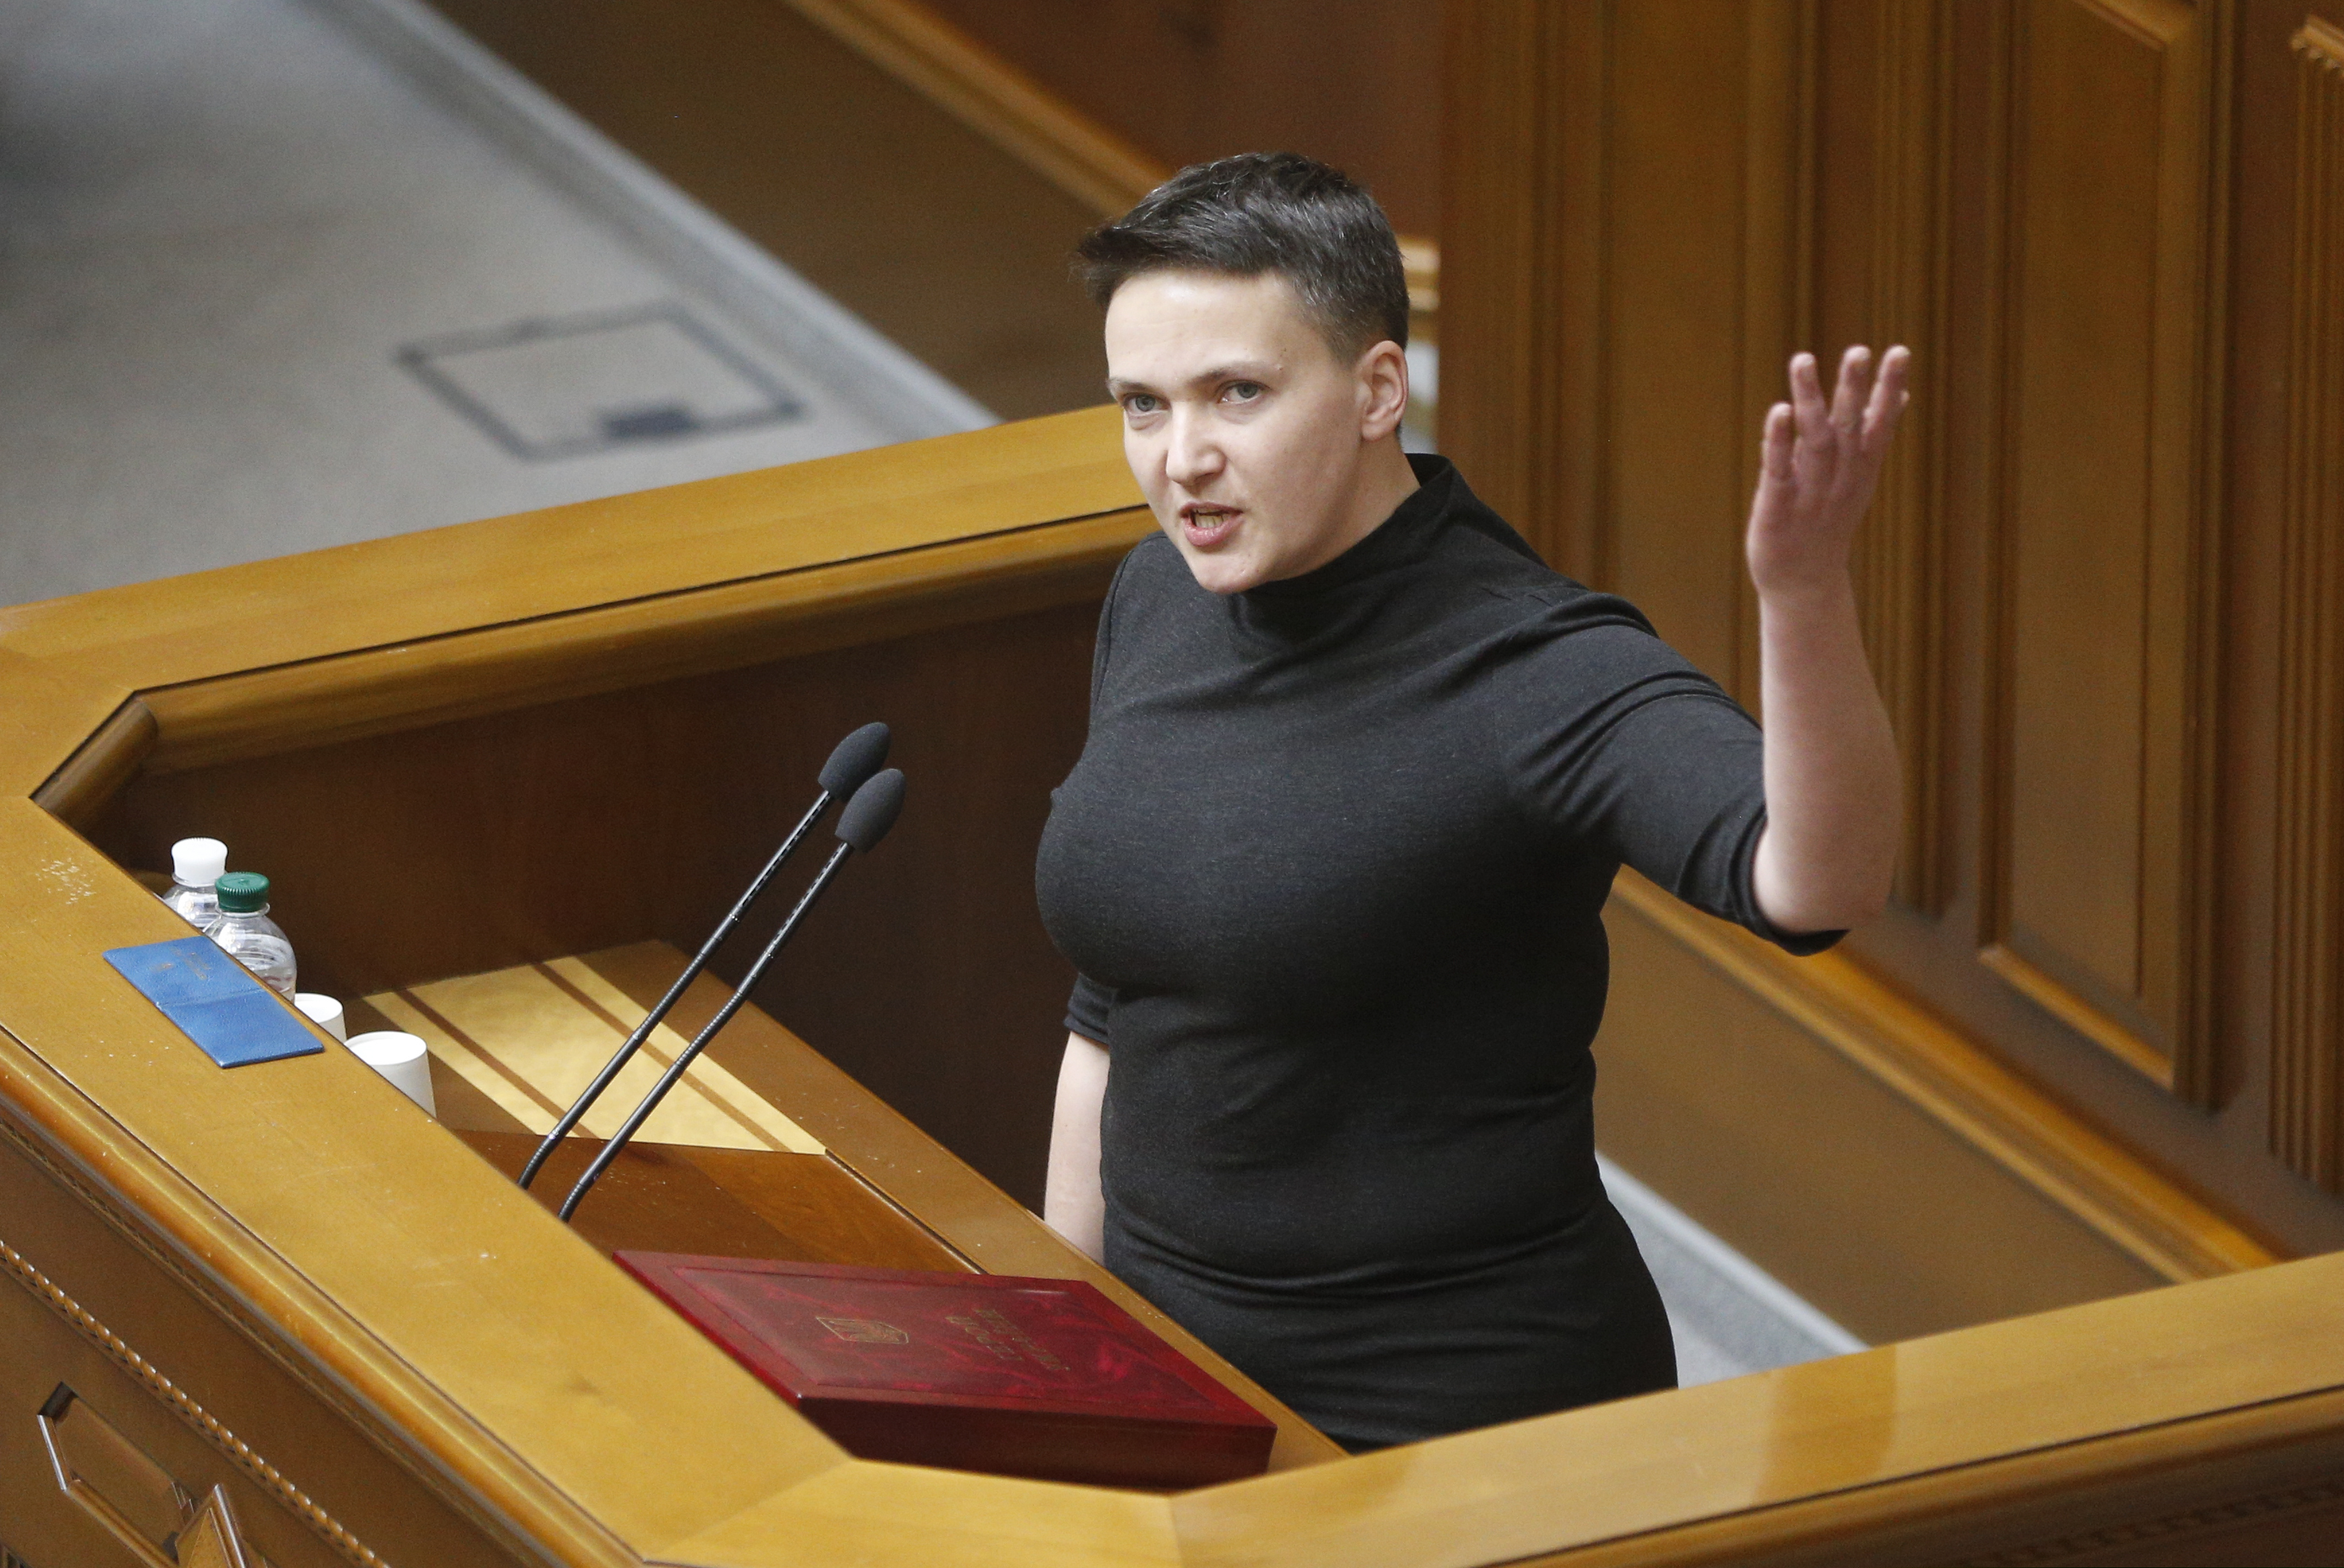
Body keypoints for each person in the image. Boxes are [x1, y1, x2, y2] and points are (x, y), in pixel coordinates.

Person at [1034, 151, 1906, 1452]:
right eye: (1142, 406)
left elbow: (1815, 883)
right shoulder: (1162, 595)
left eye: (1238, 394)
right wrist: (1066, 1330)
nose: (1183, 459)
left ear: (1379, 387)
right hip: (1174, 1366)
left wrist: (1804, 594)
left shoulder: (1537, 667)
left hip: (1459, 1413)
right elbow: (1114, 1002)